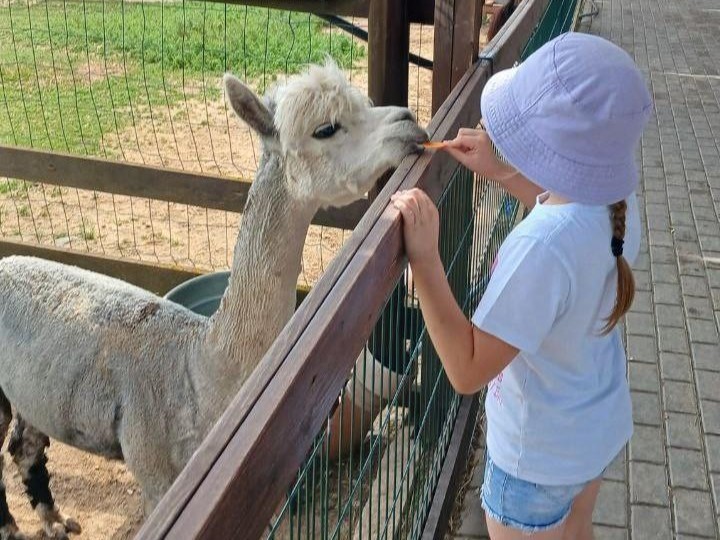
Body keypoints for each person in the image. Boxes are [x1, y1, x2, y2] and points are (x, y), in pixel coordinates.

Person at [390, 32, 652, 540]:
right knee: (577, 533)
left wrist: (424, 259)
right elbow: (565, 198)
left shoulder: (541, 248)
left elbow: (467, 368)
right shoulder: (618, 204)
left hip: (536, 463)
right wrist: (500, 169)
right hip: (593, 430)